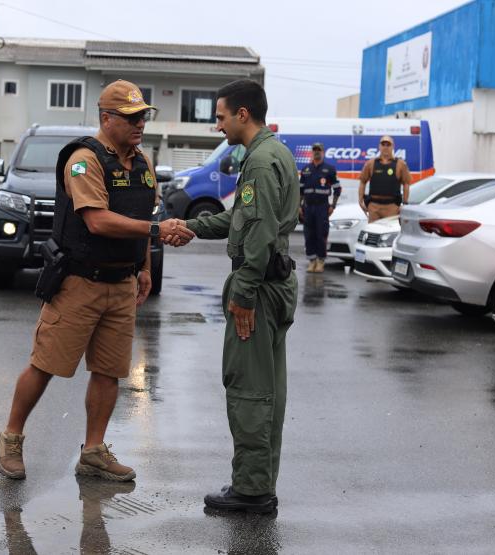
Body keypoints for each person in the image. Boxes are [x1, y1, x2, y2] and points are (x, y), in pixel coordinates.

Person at [0, 80, 193, 482]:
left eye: (144, 117)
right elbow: (98, 220)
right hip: (78, 282)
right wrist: (156, 233)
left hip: (121, 284)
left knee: (109, 370)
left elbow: (144, 215)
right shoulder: (84, 160)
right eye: (132, 118)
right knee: (45, 364)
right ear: (107, 118)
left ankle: (94, 451)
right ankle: (10, 438)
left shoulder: (142, 162)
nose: (140, 125)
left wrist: (145, 268)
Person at [183, 79, 299, 513]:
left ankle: (251, 490)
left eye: (220, 116)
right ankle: (259, 482)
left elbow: (261, 233)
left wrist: (244, 293)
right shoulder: (274, 153)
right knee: (268, 389)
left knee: (250, 389)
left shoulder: (260, 161)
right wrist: (191, 226)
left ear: (242, 115)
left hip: (260, 287)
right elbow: (241, 219)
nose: (218, 126)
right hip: (273, 282)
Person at [298, 142, 340, 273]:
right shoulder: (305, 169)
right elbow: (300, 190)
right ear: (312, 151)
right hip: (308, 208)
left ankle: (320, 261)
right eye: (314, 149)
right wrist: (299, 206)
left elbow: (337, 189)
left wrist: (333, 205)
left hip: (322, 207)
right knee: (309, 235)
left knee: (321, 235)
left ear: (323, 152)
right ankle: (312, 261)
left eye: (319, 150)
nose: (316, 152)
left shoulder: (329, 169)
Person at [358, 135, 411, 223]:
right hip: (374, 207)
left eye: (388, 145)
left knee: (390, 234)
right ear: (379, 146)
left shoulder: (400, 164)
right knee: (373, 233)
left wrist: (405, 204)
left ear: (393, 147)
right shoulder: (371, 163)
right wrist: (360, 201)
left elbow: (406, 184)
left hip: (392, 207)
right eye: (383, 144)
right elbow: (362, 181)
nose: (385, 147)